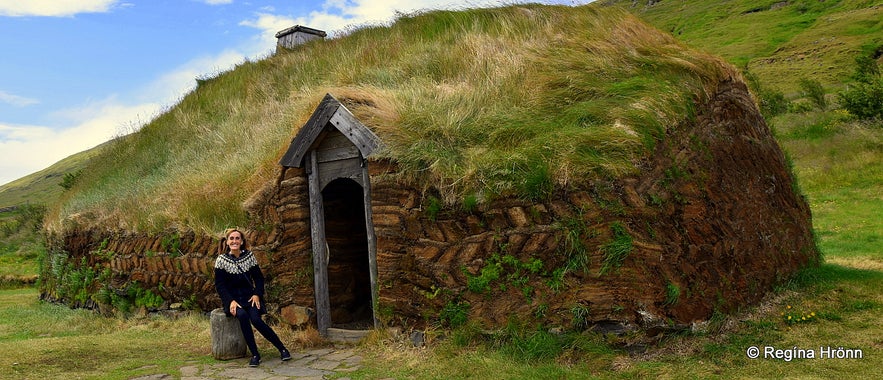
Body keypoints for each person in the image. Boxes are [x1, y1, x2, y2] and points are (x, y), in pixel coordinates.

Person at [214, 228, 292, 367]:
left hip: (250, 298)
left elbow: (259, 278)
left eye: (237, 238)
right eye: (231, 238)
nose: (234, 241)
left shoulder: (249, 256)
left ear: (242, 241)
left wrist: (257, 294)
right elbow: (220, 286)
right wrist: (230, 301)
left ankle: (282, 349)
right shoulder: (221, 260)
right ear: (227, 242)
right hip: (233, 300)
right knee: (243, 316)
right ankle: (255, 354)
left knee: (256, 320)